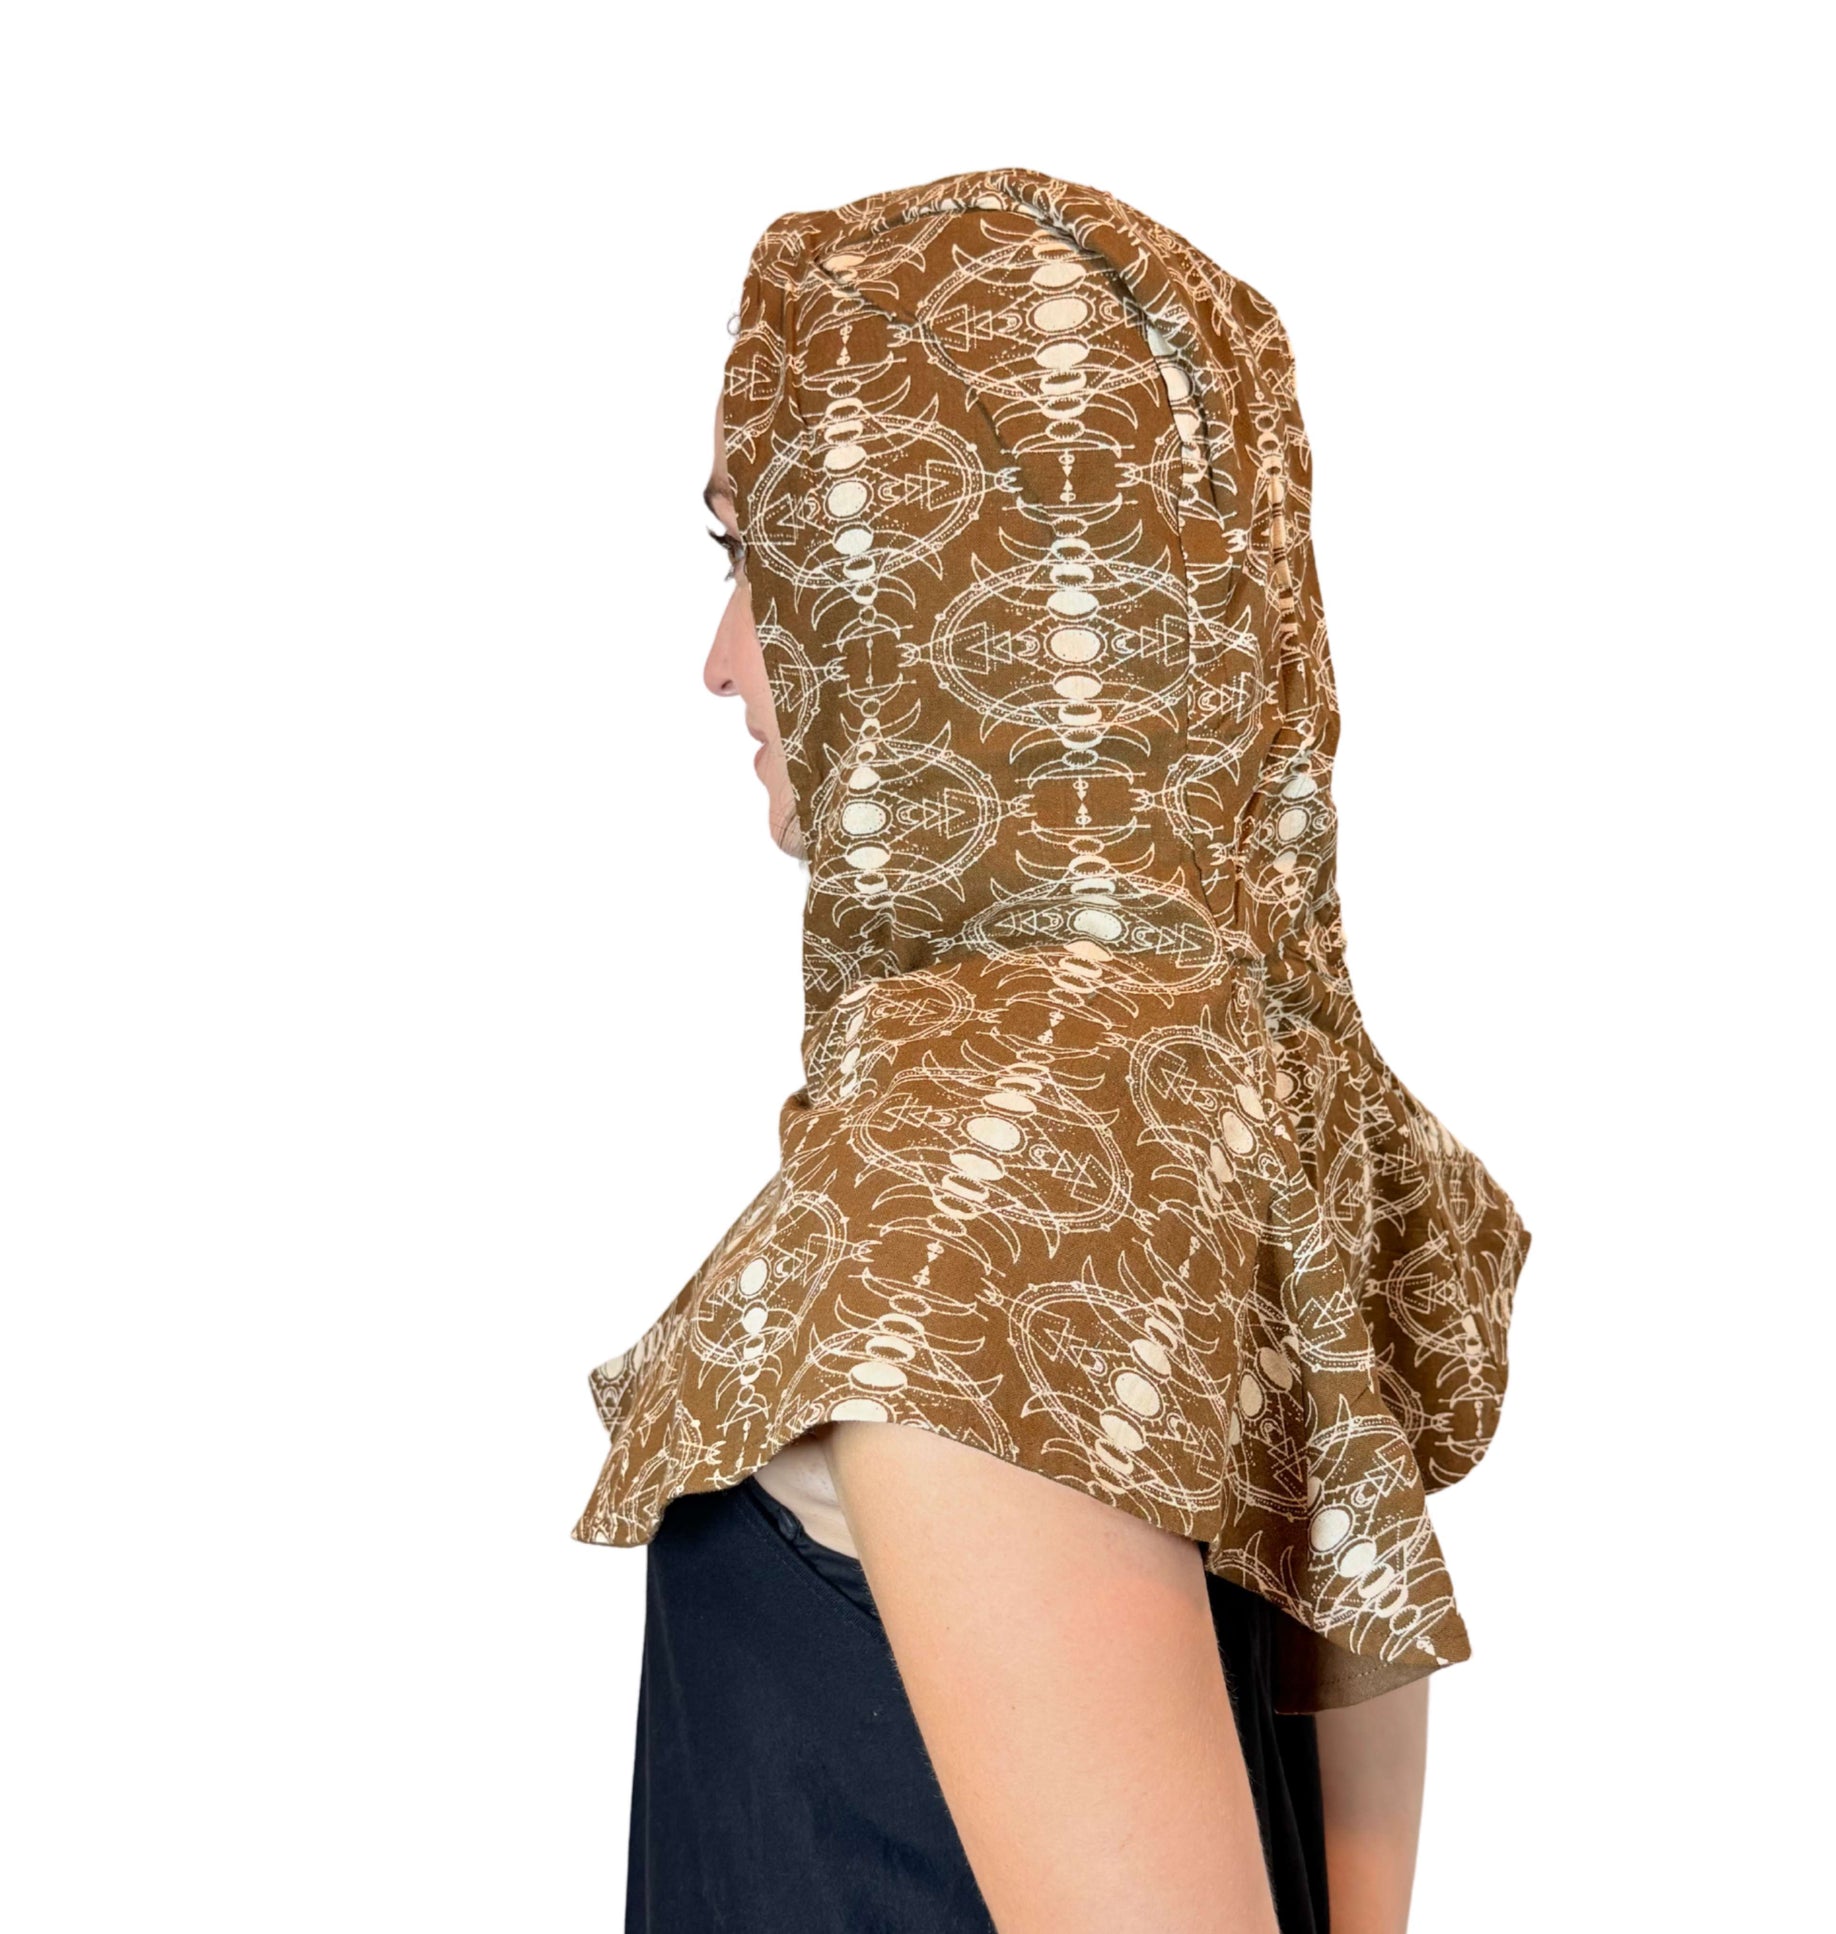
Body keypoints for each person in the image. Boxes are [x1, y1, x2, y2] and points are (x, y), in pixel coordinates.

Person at [575, 166, 1533, 1933]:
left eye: (758, 553)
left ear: (929, 566)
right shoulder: (1244, 1113)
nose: (723, 661)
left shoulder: (966, 1209)